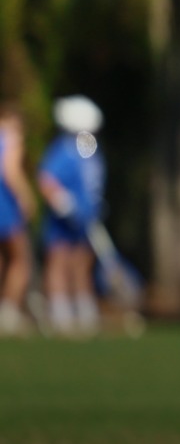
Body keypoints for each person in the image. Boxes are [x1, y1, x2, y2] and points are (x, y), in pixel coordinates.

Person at [38, 96, 107, 339]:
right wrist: (63, 203)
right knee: (58, 262)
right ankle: (61, 314)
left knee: (82, 264)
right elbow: (46, 179)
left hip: (86, 220)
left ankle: (85, 312)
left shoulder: (88, 147)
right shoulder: (64, 148)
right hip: (63, 221)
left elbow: (92, 183)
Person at [0, 100, 37, 337]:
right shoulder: (11, 139)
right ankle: (8, 313)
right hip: (5, 206)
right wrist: (27, 197)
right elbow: (10, 172)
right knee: (21, 261)